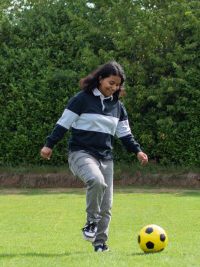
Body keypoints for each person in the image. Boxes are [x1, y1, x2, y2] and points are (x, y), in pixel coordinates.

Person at [40, 61, 149, 252]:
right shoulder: (81, 99)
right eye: (111, 83)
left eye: (117, 85)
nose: (114, 88)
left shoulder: (118, 107)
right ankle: (91, 222)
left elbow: (124, 134)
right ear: (100, 78)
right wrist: (49, 145)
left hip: (105, 158)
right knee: (96, 181)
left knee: (106, 206)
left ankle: (100, 244)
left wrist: (137, 151)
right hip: (80, 153)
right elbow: (63, 124)